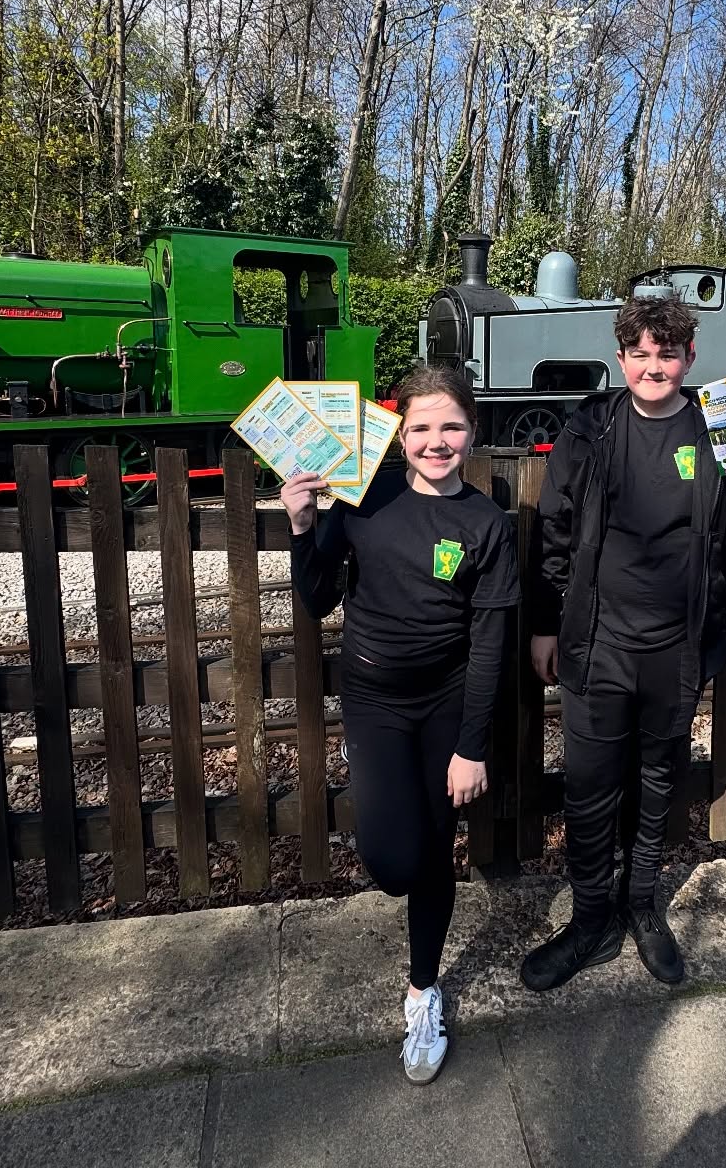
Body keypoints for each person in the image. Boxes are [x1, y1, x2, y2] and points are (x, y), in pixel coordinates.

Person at [520, 294, 726, 991]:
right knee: (589, 788)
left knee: (657, 782)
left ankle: (641, 906)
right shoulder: (591, 427)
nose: (653, 366)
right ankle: (590, 922)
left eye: (667, 354)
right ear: (621, 358)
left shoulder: (718, 427)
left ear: (689, 358)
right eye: (639, 354)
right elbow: (553, 529)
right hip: (597, 643)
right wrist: (544, 623)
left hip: (677, 647)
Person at [283, 366, 519, 1084]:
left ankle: (423, 992)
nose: (436, 441)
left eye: (451, 426)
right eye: (421, 427)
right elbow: (316, 599)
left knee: (436, 851)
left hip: (446, 702)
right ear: (400, 432)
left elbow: (489, 644)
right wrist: (303, 525)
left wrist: (471, 748)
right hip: (375, 702)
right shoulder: (366, 496)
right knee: (393, 865)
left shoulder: (486, 524)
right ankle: (416, 892)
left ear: (472, 431)